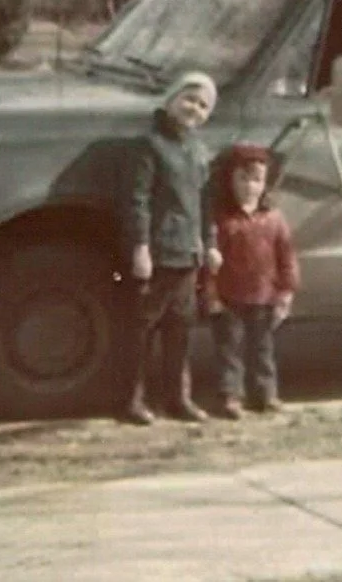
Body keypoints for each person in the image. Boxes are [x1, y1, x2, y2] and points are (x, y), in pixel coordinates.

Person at [119, 71, 224, 426]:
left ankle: (178, 398)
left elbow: (205, 203)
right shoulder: (149, 146)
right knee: (143, 327)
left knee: (180, 328)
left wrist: (209, 244)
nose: (194, 108)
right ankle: (131, 400)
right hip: (159, 252)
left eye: (203, 104)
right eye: (189, 99)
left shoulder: (199, 150)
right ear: (171, 99)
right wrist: (140, 248)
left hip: (188, 253)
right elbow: (137, 200)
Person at [203, 143, 300, 419]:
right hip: (228, 296)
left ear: (265, 183)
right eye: (243, 179)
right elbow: (209, 264)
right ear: (230, 181)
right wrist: (210, 295)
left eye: (256, 180)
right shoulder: (221, 220)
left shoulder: (273, 218)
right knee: (229, 350)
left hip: (264, 296)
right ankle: (230, 396)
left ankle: (265, 394)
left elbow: (287, 256)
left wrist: (286, 292)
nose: (249, 186)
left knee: (262, 348)